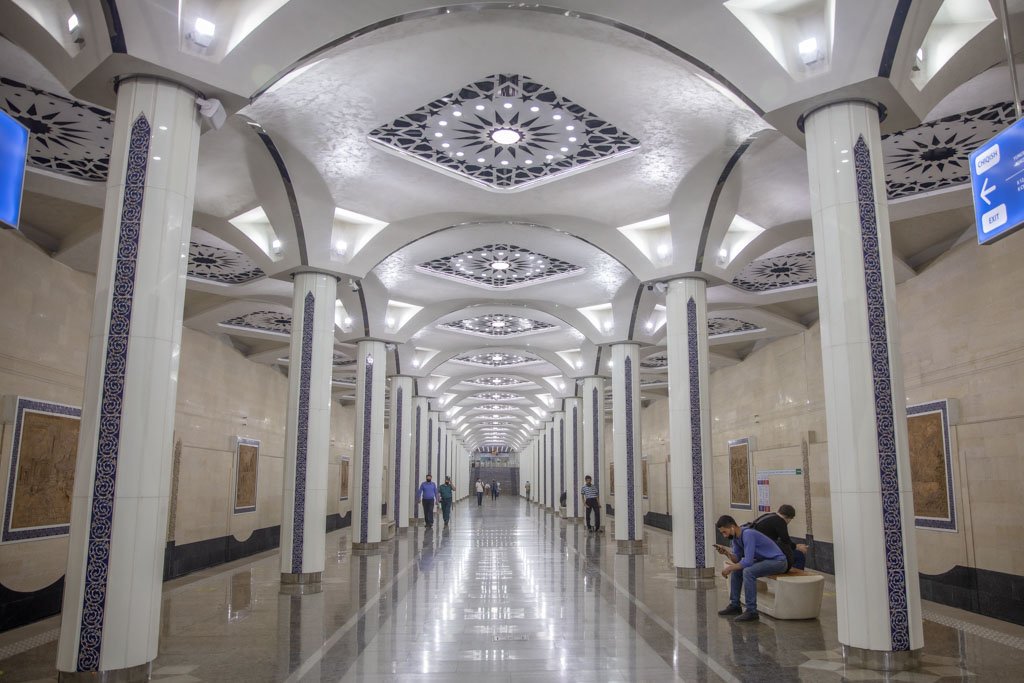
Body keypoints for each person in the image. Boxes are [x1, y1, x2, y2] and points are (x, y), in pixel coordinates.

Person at [714, 514, 788, 622]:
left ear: (732, 527)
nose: (724, 536)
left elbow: (747, 562)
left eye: (725, 532)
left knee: (748, 572)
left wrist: (729, 568)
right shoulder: (736, 538)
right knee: (737, 570)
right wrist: (726, 553)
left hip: (778, 561)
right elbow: (737, 560)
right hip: (764, 561)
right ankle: (735, 605)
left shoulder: (748, 534)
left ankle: (751, 611)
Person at [751, 504, 809, 570]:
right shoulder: (780, 521)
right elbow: (786, 541)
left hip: (756, 547)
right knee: (799, 556)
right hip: (764, 550)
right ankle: (795, 577)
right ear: (788, 517)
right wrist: (797, 547)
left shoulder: (769, 516)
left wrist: (796, 546)